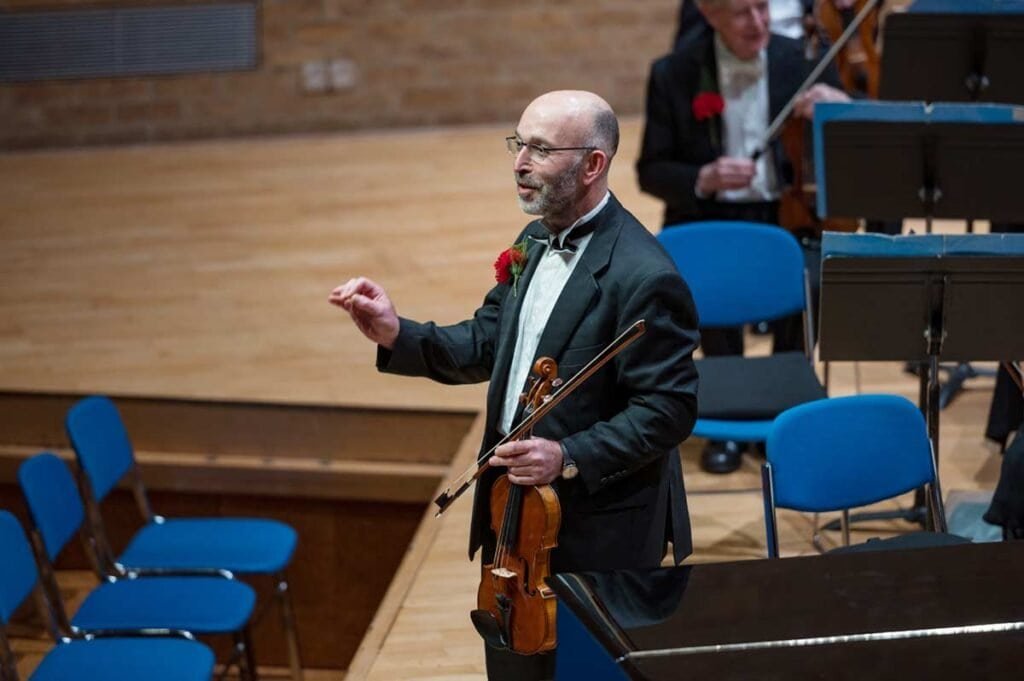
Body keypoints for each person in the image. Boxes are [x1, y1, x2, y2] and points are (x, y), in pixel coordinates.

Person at [329, 90, 700, 680]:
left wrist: (567, 455)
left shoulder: (644, 276)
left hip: (597, 531)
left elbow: (670, 411)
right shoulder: (531, 243)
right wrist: (396, 333)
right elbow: (486, 342)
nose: (519, 163)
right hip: (517, 526)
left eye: (541, 149)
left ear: (592, 164)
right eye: (518, 143)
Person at [636, 0, 849, 474]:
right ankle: (726, 418)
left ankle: (786, 417)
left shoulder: (804, 59)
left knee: (806, 289)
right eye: (741, 13)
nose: (758, 23)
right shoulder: (675, 73)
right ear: (709, 16)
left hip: (788, 209)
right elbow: (650, 169)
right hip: (710, 211)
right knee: (713, 297)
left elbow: (854, 135)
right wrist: (703, 177)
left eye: (762, 7)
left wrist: (839, 109)